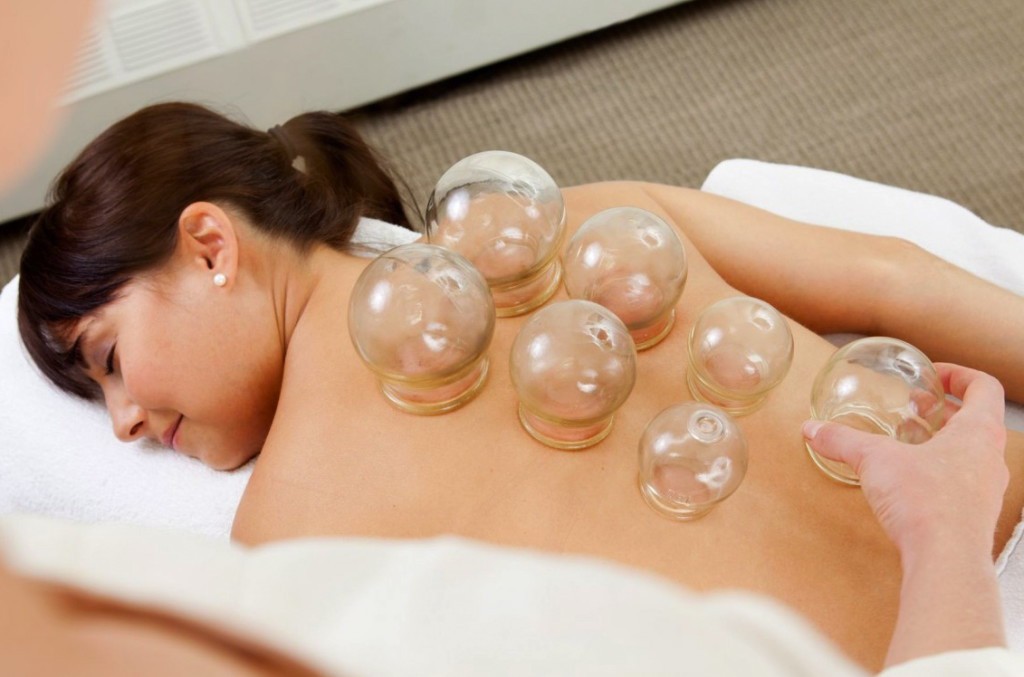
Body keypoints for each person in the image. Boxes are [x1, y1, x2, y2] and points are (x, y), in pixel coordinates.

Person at [13, 96, 1024, 671]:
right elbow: (891, 279)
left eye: (109, 360)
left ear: (210, 245)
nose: (124, 423)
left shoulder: (290, 526)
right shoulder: (580, 215)